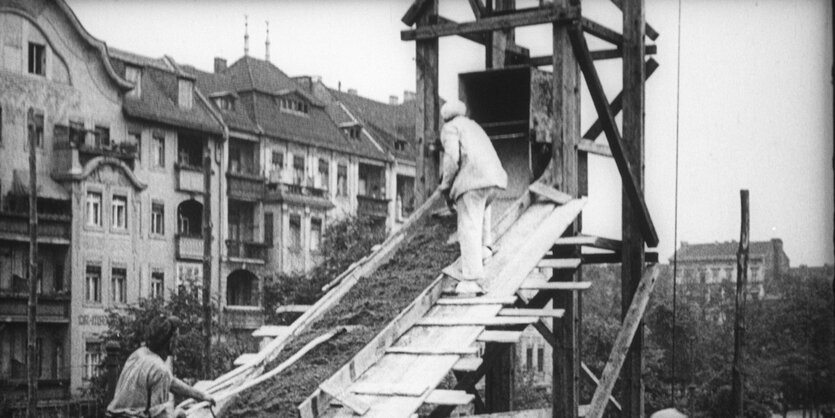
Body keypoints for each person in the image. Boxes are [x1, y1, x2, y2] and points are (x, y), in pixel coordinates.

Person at [438, 99, 507, 294]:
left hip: (472, 179)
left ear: (445, 118)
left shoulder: (450, 128)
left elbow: (452, 158)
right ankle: (485, 248)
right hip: (494, 178)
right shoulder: (473, 126)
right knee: (481, 212)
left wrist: (445, 186)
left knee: (468, 224)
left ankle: (471, 279)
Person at [106, 316, 215, 418]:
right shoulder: (160, 369)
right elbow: (159, 415)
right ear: (170, 342)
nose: (178, 342)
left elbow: (171, 382)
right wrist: (176, 415)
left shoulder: (139, 354)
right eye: (177, 338)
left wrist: (201, 396)